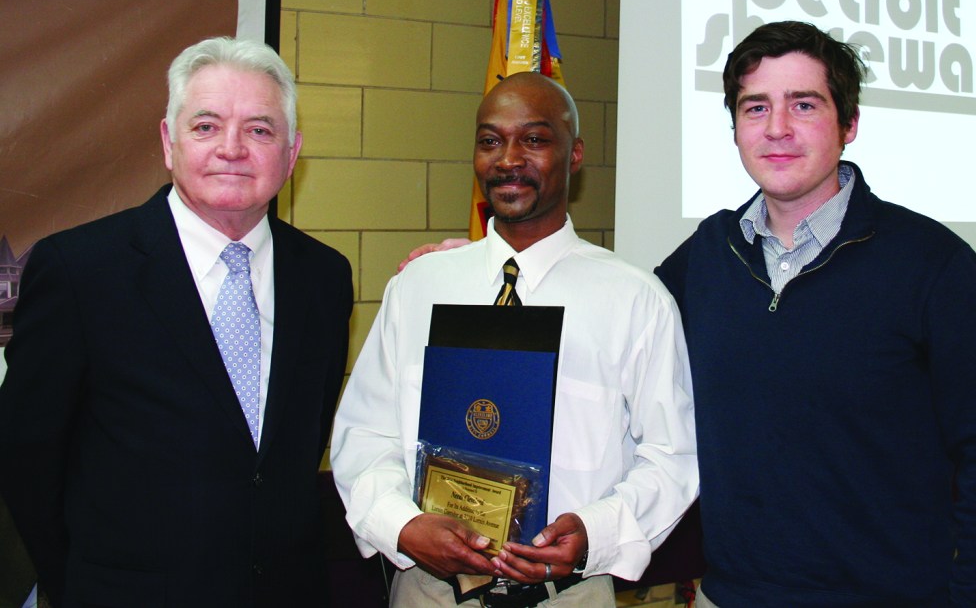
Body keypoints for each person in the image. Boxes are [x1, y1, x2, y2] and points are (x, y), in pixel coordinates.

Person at [654, 21, 976, 607]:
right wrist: (485, 271)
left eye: (803, 104)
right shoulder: (706, 255)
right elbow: (612, 328)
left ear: (848, 124)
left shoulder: (935, 266)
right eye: (755, 108)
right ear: (734, 128)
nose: (776, 129)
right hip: (729, 598)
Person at [0, 37, 353, 607]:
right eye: (206, 126)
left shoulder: (325, 277)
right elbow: (26, 456)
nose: (232, 149)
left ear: (292, 154)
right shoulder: (80, 270)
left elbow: (298, 443)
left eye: (260, 130)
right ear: (169, 142)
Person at [331, 72, 699, 607]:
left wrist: (596, 532)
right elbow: (364, 434)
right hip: (427, 593)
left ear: (574, 155)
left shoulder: (636, 300)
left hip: (567, 596)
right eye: (489, 141)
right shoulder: (418, 287)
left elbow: (672, 455)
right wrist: (402, 526)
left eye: (534, 139)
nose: (507, 158)